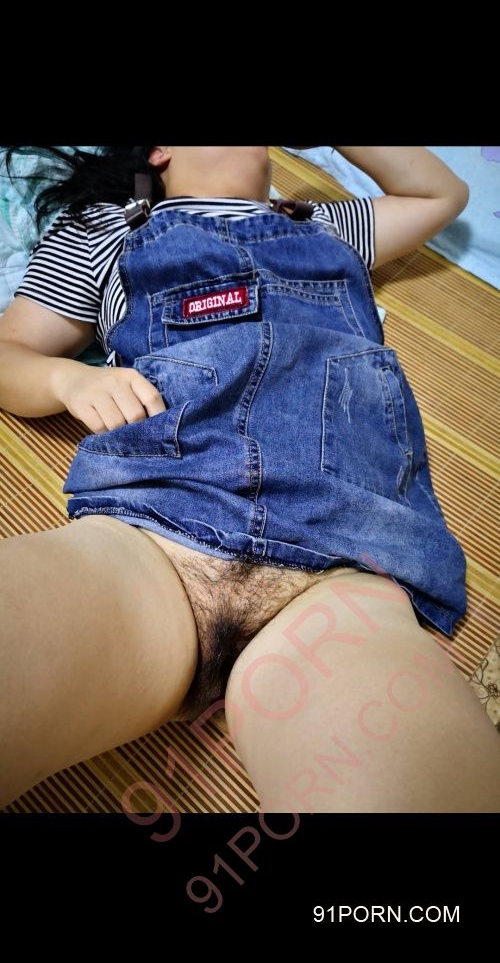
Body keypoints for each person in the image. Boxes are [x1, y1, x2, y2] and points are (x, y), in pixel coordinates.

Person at [1, 145, 499, 814]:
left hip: (346, 554)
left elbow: (442, 195)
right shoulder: (106, 229)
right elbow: (9, 353)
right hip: (155, 530)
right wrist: (69, 378)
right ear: (160, 151)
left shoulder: (327, 223)